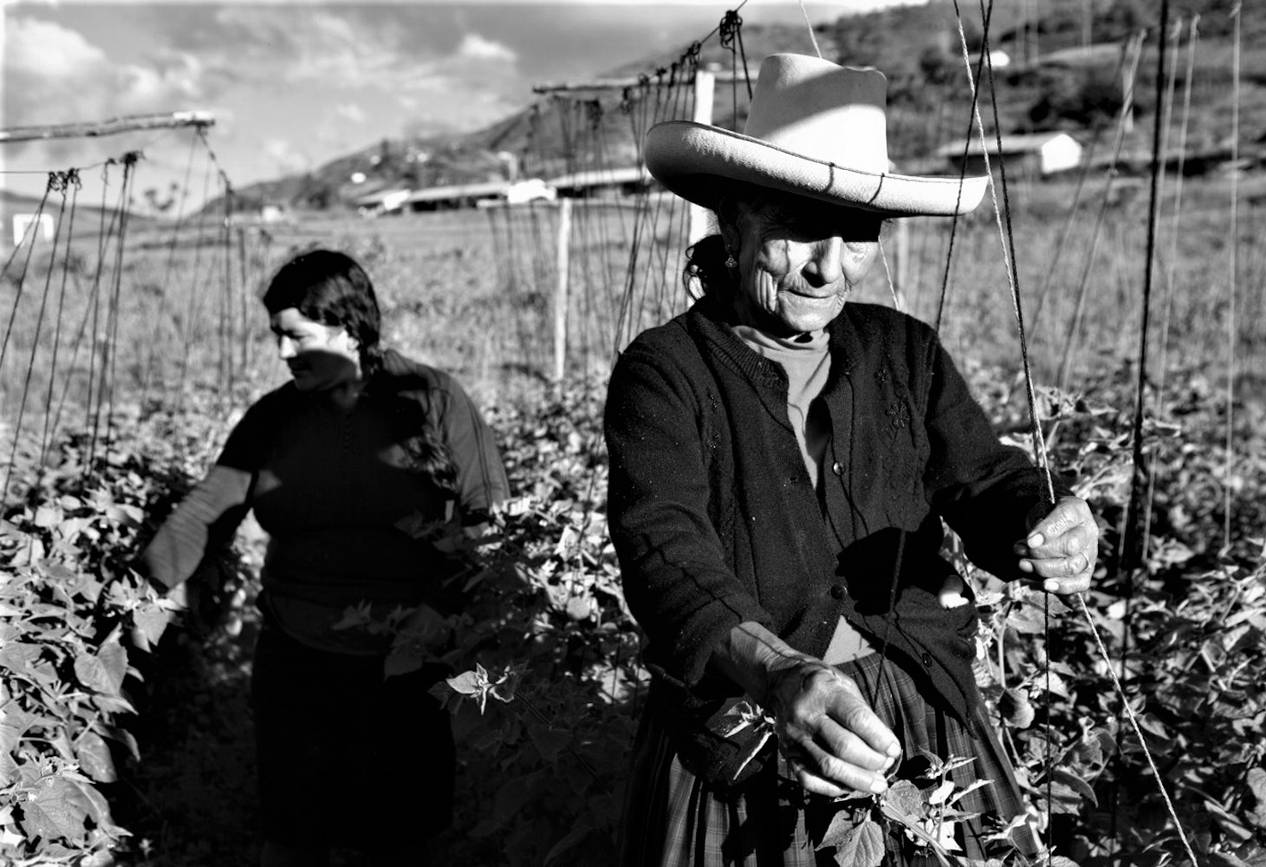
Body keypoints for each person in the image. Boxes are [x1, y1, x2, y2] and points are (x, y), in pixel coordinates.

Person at [605, 54, 1099, 865]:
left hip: (918, 715)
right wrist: (778, 673)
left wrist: (1043, 521)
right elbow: (662, 546)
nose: (829, 268)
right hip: (754, 726)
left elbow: (983, 478)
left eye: (858, 235)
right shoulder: (667, 371)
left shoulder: (903, 351)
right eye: (800, 227)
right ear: (733, 219)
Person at [142, 249, 509, 866]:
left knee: (400, 837)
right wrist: (144, 587)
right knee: (294, 834)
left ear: (351, 329)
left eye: (298, 336)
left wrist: (444, 609)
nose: (283, 353)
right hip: (297, 656)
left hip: (406, 658)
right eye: (276, 336)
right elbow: (208, 510)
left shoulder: (433, 399)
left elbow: (489, 517)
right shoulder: (274, 418)